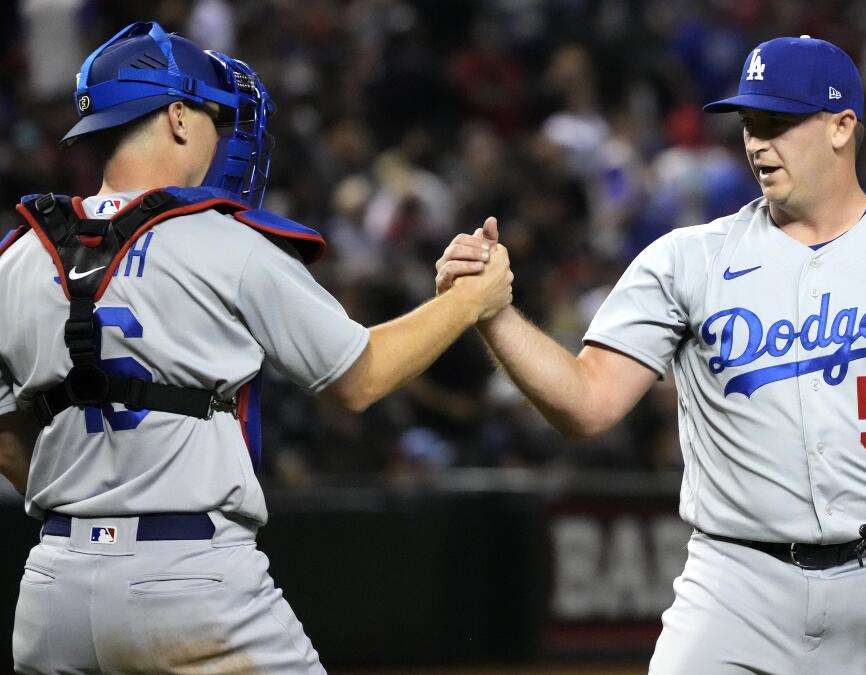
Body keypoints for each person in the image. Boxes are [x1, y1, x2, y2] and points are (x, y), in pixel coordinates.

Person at [436, 36, 866, 673]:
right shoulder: (687, 260)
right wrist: (493, 315)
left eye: (778, 122)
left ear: (841, 127)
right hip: (734, 589)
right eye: (748, 123)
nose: (756, 142)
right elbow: (588, 403)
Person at [0, 22, 511, 674]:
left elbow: (9, 443)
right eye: (215, 115)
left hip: (54, 590)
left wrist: (95, 510)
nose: (225, 133)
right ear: (178, 117)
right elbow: (360, 376)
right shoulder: (226, 241)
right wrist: (470, 301)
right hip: (189, 577)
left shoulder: (15, 258)